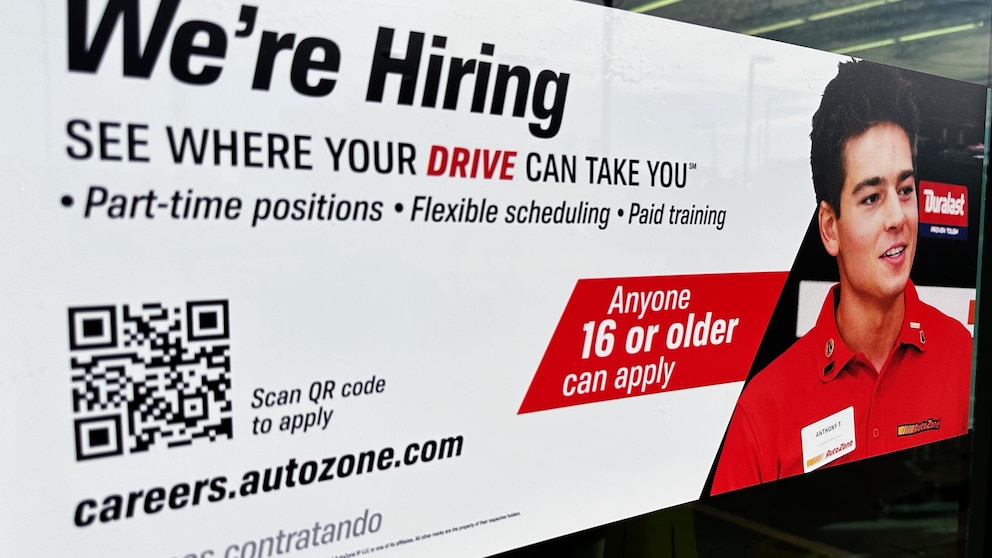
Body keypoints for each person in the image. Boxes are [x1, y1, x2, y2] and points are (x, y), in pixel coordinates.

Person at [710, 60, 972, 495]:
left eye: (904, 190)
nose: (896, 217)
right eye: (871, 197)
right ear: (830, 228)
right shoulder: (764, 410)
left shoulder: (964, 362)